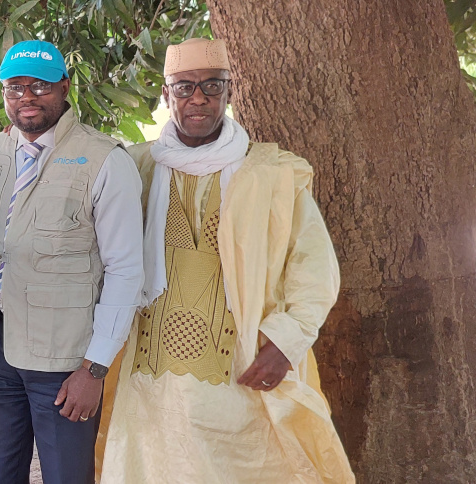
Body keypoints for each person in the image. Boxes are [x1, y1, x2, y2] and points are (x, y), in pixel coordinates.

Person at [99, 38, 355, 483]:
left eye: (211, 86)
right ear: (166, 95)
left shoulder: (272, 173)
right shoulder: (133, 168)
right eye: (183, 87)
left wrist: (286, 342)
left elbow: (314, 269)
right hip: (148, 378)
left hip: (241, 373)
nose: (198, 98)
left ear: (230, 92)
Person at [0, 40, 145, 484]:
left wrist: (94, 369)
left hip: (64, 361)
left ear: (65, 86)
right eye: (14, 87)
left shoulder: (105, 161)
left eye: (39, 85)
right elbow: (4, 240)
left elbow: (126, 272)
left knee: (66, 476)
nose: (26, 97)